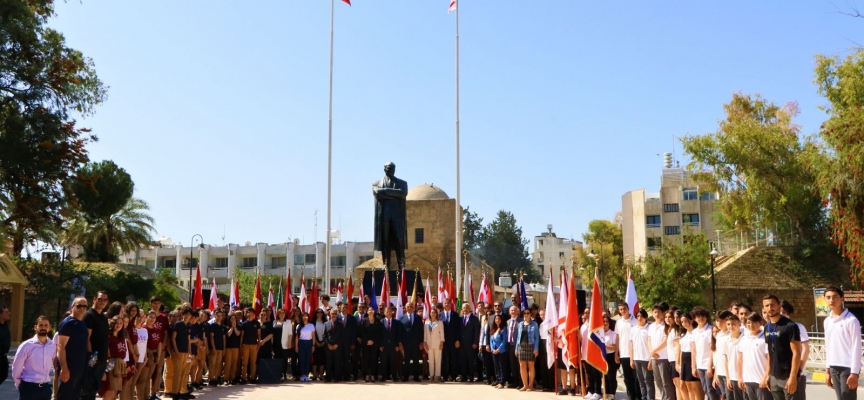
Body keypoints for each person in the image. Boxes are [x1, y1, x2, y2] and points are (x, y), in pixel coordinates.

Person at [824, 286, 861, 400]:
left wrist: (854, 373)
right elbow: (828, 345)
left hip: (848, 367)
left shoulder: (851, 320)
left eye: (835, 297)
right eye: (828, 297)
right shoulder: (827, 321)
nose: (832, 300)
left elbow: (856, 347)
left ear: (842, 299)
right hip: (834, 366)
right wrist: (827, 369)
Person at [762, 294, 801, 400]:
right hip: (774, 376)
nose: (770, 308)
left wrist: (793, 376)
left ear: (779, 306)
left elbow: (796, 352)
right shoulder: (767, 327)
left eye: (773, 305)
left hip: (788, 376)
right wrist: (768, 375)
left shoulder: (790, 326)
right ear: (763, 308)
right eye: (767, 306)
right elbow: (771, 352)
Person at [11, 316, 56, 400]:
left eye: (46, 325)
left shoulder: (52, 346)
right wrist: (20, 385)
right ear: (35, 327)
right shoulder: (26, 346)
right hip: (29, 388)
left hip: (45, 388)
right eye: (41, 325)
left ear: (50, 327)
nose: (43, 327)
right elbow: (16, 367)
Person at [56, 297, 89, 400]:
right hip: (69, 367)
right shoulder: (68, 323)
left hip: (79, 368)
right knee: (65, 396)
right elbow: (60, 346)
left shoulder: (81, 323)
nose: (82, 308)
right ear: (72, 307)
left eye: (84, 306)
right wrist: (64, 368)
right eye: (79, 306)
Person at [82, 291, 110, 400]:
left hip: (102, 358)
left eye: (105, 300)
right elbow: (86, 338)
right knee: (87, 390)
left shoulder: (103, 317)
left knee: (94, 388)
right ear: (94, 299)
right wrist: (91, 356)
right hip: (93, 358)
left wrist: (107, 357)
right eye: (100, 299)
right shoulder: (89, 315)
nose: (102, 302)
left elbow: (104, 338)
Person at [738, 312, 770, 400]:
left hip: (761, 380)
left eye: (754, 322)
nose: (751, 325)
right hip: (748, 380)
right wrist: (740, 377)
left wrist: (766, 377)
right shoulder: (744, 339)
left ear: (760, 323)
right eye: (748, 322)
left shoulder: (765, 339)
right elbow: (740, 360)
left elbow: (769, 360)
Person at [616, 302, 641, 400]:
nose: (623, 311)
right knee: (627, 377)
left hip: (635, 354)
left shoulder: (635, 321)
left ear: (628, 308)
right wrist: (616, 354)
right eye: (621, 309)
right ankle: (630, 394)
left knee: (636, 377)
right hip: (623, 354)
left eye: (624, 309)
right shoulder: (618, 322)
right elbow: (617, 338)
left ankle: (637, 395)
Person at [691, 306, 717, 400]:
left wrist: (710, 366)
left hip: (709, 365)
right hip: (700, 365)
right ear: (694, 318)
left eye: (702, 316)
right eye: (698, 316)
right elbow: (693, 350)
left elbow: (712, 349)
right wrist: (693, 366)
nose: (700, 318)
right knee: (705, 389)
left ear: (706, 317)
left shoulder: (710, 330)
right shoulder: (694, 332)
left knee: (711, 390)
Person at [648, 304, 673, 400]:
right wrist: (651, 352)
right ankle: (664, 397)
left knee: (666, 382)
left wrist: (654, 350)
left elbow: (665, 341)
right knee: (658, 381)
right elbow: (649, 340)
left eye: (659, 312)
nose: (657, 314)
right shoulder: (651, 326)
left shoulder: (666, 326)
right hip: (654, 357)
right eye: (655, 312)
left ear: (663, 313)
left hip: (664, 357)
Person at [171, 308, 195, 400]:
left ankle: (182, 391)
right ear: (183, 314)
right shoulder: (178, 324)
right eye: (186, 314)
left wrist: (190, 352)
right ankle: (175, 393)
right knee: (177, 373)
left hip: (186, 352)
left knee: (184, 373)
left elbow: (188, 340)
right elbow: (173, 338)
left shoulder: (189, 325)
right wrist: (176, 351)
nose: (187, 316)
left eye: (189, 314)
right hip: (178, 351)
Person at [148, 297, 169, 400]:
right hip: (149, 348)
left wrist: (164, 344)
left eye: (158, 303)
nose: (157, 305)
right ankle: (147, 392)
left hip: (160, 347)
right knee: (148, 371)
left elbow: (165, 332)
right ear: (151, 304)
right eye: (154, 303)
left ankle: (155, 392)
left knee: (158, 370)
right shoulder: (148, 316)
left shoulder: (164, 317)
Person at [631, 308, 654, 400]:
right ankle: (644, 397)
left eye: (641, 316)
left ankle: (650, 398)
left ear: (645, 317)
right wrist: (631, 359)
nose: (639, 318)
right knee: (641, 381)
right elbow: (631, 344)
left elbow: (652, 343)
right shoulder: (633, 329)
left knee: (648, 380)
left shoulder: (649, 328)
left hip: (646, 358)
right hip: (637, 358)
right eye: (637, 316)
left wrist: (651, 359)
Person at [515, 308, 539, 392]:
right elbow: (518, 337)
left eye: (528, 313)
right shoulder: (520, 324)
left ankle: (531, 385)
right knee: (522, 365)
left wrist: (536, 349)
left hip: (531, 346)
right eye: (524, 313)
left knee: (531, 365)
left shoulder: (534, 324)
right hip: (521, 346)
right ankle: (525, 385)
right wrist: (516, 348)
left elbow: (536, 338)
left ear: (530, 314)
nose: (526, 314)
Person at [400, 302, 423, 382]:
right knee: (406, 360)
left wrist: (421, 342)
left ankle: (416, 377)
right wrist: (400, 343)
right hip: (406, 343)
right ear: (405, 308)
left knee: (416, 360)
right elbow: (400, 332)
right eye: (408, 306)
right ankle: (405, 377)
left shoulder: (418, 318)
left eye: (411, 306)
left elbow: (421, 331)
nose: (409, 308)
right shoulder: (401, 318)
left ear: (413, 308)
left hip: (416, 343)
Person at [713, 310, 733, 400]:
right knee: (724, 396)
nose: (719, 323)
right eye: (717, 321)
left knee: (730, 397)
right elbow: (718, 356)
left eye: (722, 321)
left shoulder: (731, 335)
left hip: (729, 373)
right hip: (720, 372)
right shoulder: (719, 335)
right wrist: (716, 374)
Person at [378, 306, 402, 382]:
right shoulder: (381, 322)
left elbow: (398, 334)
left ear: (392, 312)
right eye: (386, 312)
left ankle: (394, 376)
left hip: (393, 346)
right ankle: (383, 376)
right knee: (383, 362)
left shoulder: (396, 322)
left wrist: (398, 345)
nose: (388, 313)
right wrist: (380, 345)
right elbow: (379, 335)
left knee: (393, 361)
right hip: (384, 346)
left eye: (389, 311)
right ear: (384, 313)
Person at [724, 315, 745, 400]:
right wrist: (728, 378)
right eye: (728, 324)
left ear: (739, 323)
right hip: (733, 377)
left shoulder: (745, 338)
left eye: (733, 324)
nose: (731, 326)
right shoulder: (726, 340)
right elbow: (726, 360)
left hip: (744, 377)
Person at [458, 303, 479, 382]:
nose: (465, 309)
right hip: (462, 344)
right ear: (462, 309)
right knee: (463, 361)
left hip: (471, 344)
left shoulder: (474, 319)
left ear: (470, 309)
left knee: (471, 361)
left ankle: (471, 377)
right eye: (463, 308)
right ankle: (464, 377)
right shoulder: (460, 318)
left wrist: (475, 342)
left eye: (467, 307)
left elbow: (476, 331)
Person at [440, 298, 461, 382]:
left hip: (453, 341)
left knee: (454, 359)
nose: (447, 304)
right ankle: (444, 376)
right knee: (444, 359)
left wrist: (457, 340)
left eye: (448, 303)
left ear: (451, 304)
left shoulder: (455, 315)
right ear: (443, 304)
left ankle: (453, 375)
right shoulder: (440, 315)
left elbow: (458, 328)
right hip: (443, 341)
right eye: (445, 303)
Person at [359, 307, 382, 383]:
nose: (371, 311)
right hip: (366, 343)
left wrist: (373, 341)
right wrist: (368, 340)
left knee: (374, 359)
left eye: (372, 310)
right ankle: (366, 375)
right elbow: (362, 332)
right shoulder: (364, 320)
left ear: (374, 311)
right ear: (367, 312)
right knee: (366, 359)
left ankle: (373, 375)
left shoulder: (378, 321)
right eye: (369, 310)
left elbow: (379, 332)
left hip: (375, 343)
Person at [239, 307, 261, 384]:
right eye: (248, 312)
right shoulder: (244, 324)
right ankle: (244, 378)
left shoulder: (257, 323)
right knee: (245, 362)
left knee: (253, 362)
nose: (250, 314)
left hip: (254, 345)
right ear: (247, 313)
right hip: (245, 344)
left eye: (251, 312)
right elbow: (242, 335)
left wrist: (259, 344)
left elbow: (259, 335)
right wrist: (241, 344)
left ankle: (253, 378)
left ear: (253, 314)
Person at [423, 308, 445, 382]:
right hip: (429, 344)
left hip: (438, 343)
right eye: (431, 313)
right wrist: (425, 342)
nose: (433, 314)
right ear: (429, 314)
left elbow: (442, 333)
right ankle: (431, 375)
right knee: (431, 360)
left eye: (434, 313)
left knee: (437, 360)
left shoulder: (439, 322)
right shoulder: (426, 322)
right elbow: (425, 333)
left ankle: (437, 375)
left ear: (436, 314)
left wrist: (442, 342)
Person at [324, 309, 344, 382]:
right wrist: (328, 344)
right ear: (330, 315)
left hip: (337, 347)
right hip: (328, 347)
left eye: (335, 314)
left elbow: (342, 336)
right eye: (332, 314)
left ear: (337, 315)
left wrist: (337, 344)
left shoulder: (340, 324)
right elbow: (324, 335)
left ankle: (337, 378)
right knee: (328, 363)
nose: (334, 315)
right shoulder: (326, 324)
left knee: (337, 363)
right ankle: (328, 378)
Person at [207, 310, 226, 386]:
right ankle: (211, 378)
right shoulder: (212, 326)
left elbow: (224, 338)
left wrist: (224, 348)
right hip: (214, 348)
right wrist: (213, 347)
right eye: (217, 316)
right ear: (215, 316)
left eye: (220, 316)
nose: (219, 317)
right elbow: (211, 337)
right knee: (212, 364)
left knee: (218, 364)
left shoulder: (223, 326)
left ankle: (216, 377)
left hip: (221, 348)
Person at [489, 314, 508, 389]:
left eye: (499, 319)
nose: (497, 320)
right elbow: (491, 340)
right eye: (496, 319)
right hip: (494, 350)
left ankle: (502, 382)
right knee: (496, 366)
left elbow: (504, 341)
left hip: (501, 351)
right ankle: (498, 380)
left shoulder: (504, 329)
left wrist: (499, 349)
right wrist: (492, 349)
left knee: (501, 366)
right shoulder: (493, 329)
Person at [295, 312, 315, 382]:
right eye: (303, 316)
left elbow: (313, 336)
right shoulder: (298, 326)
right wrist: (296, 346)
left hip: (309, 343)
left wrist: (313, 345)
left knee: (307, 359)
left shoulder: (311, 325)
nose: (305, 318)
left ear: (308, 317)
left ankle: (306, 374)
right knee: (302, 359)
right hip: (301, 343)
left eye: (306, 316)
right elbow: (297, 337)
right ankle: (302, 375)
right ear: (302, 317)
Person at [602, 315, 619, 400]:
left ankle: (612, 393)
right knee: (604, 376)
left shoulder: (613, 334)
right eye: (603, 321)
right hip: (602, 357)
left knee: (611, 376)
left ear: (609, 323)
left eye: (606, 321)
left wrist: (605, 346)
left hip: (611, 356)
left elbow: (615, 347)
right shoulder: (599, 334)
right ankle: (606, 392)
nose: (605, 323)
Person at [223, 313, 241, 385]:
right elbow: (228, 334)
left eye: (234, 318)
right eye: (231, 318)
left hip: (236, 347)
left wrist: (235, 327)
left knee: (234, 363)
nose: (233, 320)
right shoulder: (226, 327)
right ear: (229, 319)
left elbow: (238, 334)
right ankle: (226, 378)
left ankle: (232, 378)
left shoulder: (239, 327)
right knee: (228, 363)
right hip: (228, 347)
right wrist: (232, 327)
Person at [0, 306, 11, 387]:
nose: (9, 313)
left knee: (4, 374)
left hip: (3, 356)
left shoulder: (5, 325)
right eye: (6, 312)